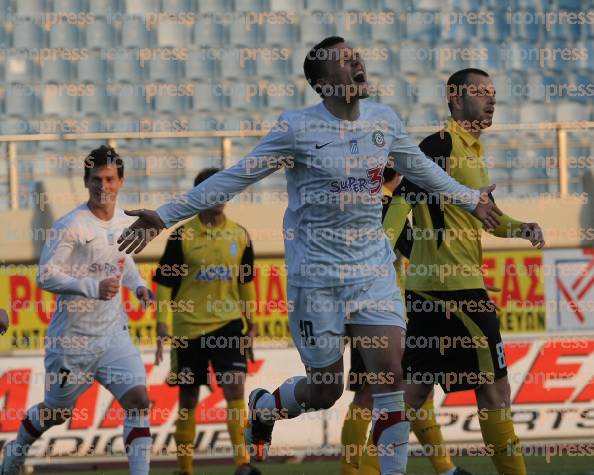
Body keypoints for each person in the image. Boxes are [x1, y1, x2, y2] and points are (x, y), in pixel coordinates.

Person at [117, 38, 502, 475]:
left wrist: (471, 200)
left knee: (390, 379)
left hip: (372, 272)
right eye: (344, 60)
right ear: (322, 84)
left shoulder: (384, 122)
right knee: (325, 392)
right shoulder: (296, 129)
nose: (357, 61)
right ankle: (265, 408)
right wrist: (164, 215)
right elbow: (234, 177)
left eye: (356, 55)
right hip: (316, 280)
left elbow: (423, 170)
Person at [355, 68, 544, 475]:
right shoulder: (441, 145)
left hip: (429, 295)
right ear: (455, 98)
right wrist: (377, 260)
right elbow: (401, 203)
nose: (491, 99)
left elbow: (486, 217)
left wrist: (520, 228)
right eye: (480, 92)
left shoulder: (472, 152)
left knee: (413, 394)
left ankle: (366, 469)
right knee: (495, 393)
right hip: (457, 295)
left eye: (493, 93)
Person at [1, 146, 154, 475]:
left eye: (110, 179)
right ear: (86, 181)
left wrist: (138, 285)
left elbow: (122, 261)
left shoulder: (127, 221)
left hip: (113, 335)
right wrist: (92, 287)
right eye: (96, 179)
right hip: (72, 342)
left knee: (139, 400)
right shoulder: (70, 225)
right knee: (56, 414)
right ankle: (17, 450)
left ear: (121, 181)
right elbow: (45, 274)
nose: (104, 186)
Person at [340, 167, 471, 475]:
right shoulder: (387, 207)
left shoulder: (352, 206)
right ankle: (357, 470)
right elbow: (418, 250)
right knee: (377, 394)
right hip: (385, 312)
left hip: (357, 308)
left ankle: (445, 469)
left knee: (408, 391)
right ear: (397, 175)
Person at [153, 168, 260, 475]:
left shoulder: (239, 235)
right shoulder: (182, 236)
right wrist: (163, 325)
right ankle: (184, 468)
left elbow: (245, 281)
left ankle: (243, 464)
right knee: (188, 398)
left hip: (228, 326)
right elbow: (164, 284)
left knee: (235, 390)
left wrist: (251, 320)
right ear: (199, 196)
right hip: (188, 329)